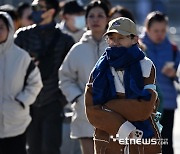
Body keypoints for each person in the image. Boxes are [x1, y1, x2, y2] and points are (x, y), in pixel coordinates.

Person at [85, 17, 162, 154]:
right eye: (111, 38)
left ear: (134, 39)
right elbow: (92, 111)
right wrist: (124, 128)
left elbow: (144, 108)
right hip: (108, 144)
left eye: (121, 37)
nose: (115, 42)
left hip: (142, 142)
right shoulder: (98, 70)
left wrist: (108, 107)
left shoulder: (146, 66)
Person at [14, 0, 75, 154]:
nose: (33, 11)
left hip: (52, 103)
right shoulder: (22, 36)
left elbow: (71, 74)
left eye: (39, 8)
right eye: (33, 7)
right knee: (32, 148)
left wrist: (60, 100)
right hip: (28, 103)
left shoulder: (65, 40)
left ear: (51, 11)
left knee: (51, 148)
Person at [59, 1, 110, 154]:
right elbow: (65, 77)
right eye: (91, 16)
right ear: (86, 20)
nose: (96, 19)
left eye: (100, 15)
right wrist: (77, 98)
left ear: (108, 19)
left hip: (112, 118)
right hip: (84, 116)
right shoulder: (77, 49)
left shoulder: (117, 48)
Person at [0, 11, 42, 154]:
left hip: (16, 121)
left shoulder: (21, 57)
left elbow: (35, 83)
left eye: (1, 27)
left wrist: (22, 101)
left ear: (9, 30)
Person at [141, 11, 180, 154]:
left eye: (163, 30)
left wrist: (174, 74)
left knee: (166, 144)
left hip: (168, 103)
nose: (160, 34)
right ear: (147, 29)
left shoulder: (173, 48)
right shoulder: (138, 47)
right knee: (146, 144)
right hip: (145, 104)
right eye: (156, 31)